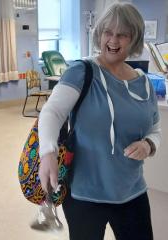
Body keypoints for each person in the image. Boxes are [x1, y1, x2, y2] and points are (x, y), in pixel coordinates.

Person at [38, 2, 160, 239]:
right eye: (108, 32)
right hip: (86, 195)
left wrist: (148, 145)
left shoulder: (144, 83)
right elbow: (52, 113)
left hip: (132, 192)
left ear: (134, 39)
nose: (113, 41)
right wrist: (48, 152)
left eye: (122, 35)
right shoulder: (82, 72)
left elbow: (155, 127)